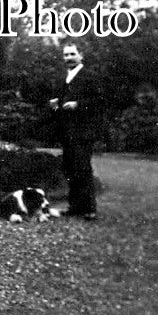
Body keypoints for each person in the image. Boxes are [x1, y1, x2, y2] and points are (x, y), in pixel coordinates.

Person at [49, 42, 100, 221]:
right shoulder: (64, 77)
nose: (68, 58)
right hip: (67, 132)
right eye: (66, 55)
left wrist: (78, 104)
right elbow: (60, 106)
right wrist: (55, 106)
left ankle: (90, 208)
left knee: (83, 168)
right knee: (71, 169)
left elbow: (99, 102)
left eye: (72, 54)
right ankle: (75, 206)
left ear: (81, 55)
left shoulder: (90, 76)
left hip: (83, 131)